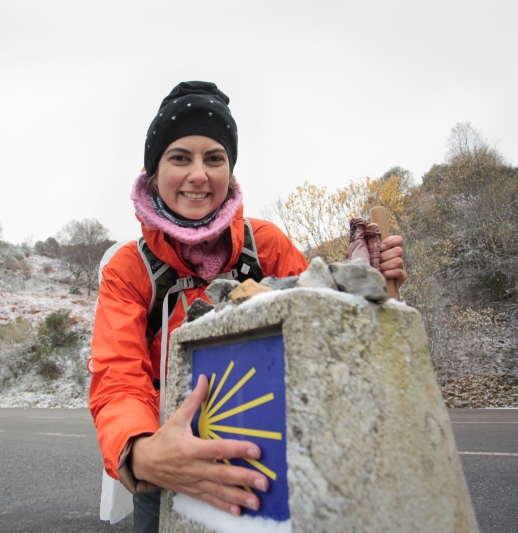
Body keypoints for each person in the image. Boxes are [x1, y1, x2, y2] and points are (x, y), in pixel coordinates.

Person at [89, 81, 406, 533]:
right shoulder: (128, 267)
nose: (198, 174)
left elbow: (319, 329)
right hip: (169, 459)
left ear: (230, 172)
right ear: (153, 172)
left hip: (270, 445)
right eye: (180, 157)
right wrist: (140, 451)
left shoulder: (267, 244)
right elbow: (116, 376)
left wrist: (364, 286)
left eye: (214, 158)